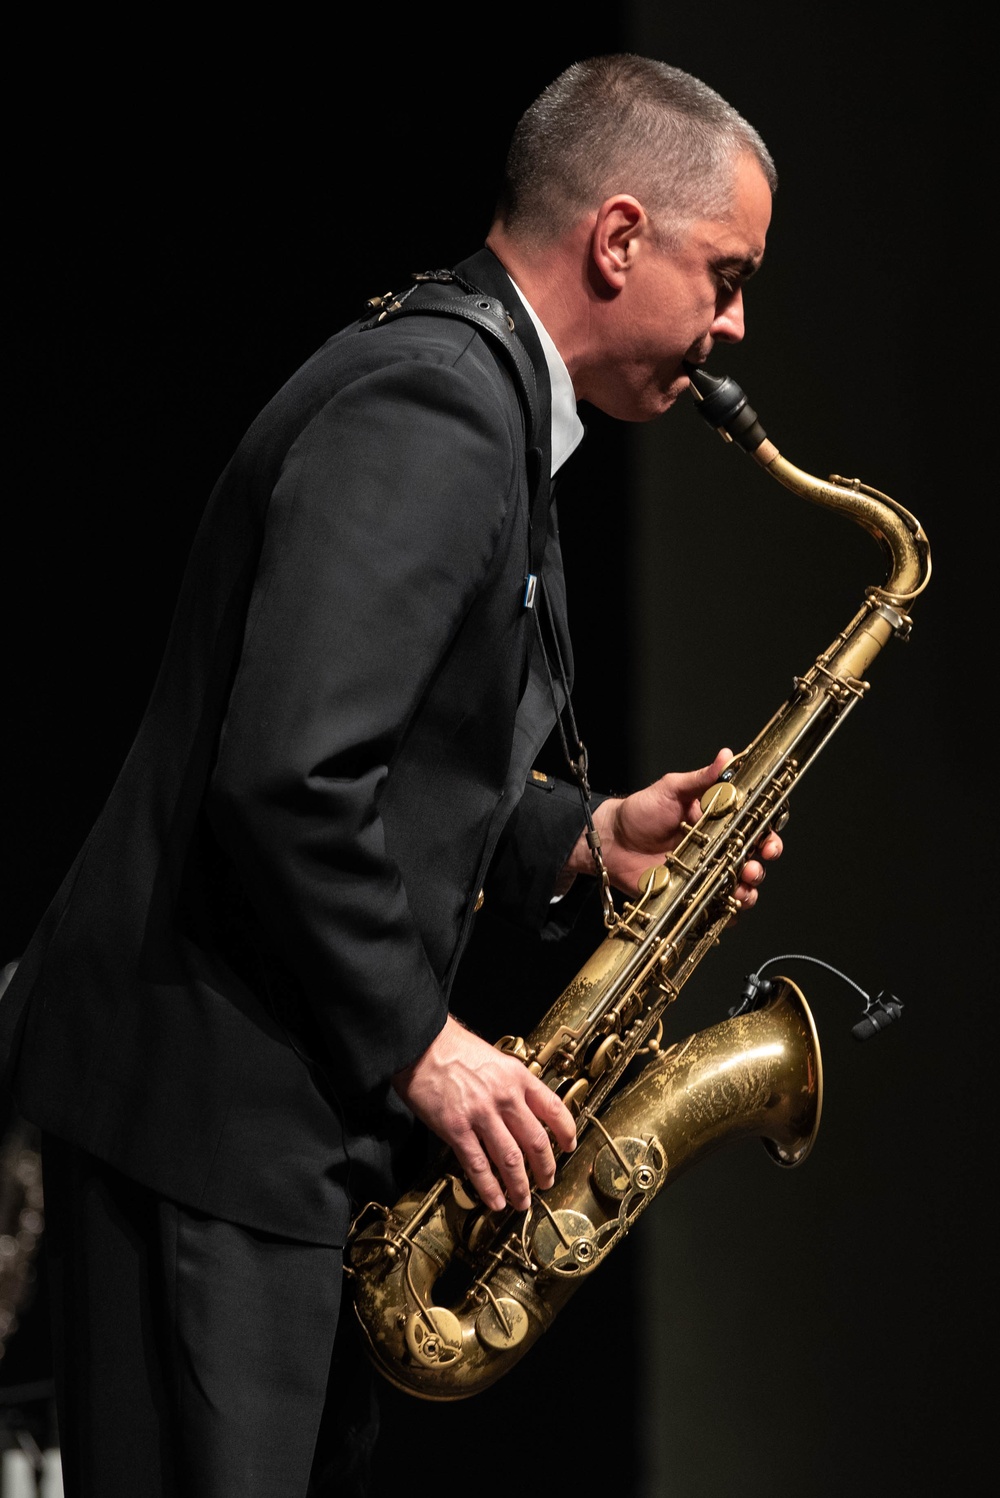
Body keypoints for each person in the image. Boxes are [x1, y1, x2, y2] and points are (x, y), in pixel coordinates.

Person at [0, 53, 781, 1497]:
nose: (734, 328)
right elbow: (286, 778)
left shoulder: (470, 391)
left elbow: (385, 758)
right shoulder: (435, 407)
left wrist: (581, 834)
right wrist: (423, 1042)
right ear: (618, 239)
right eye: (725, 276)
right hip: (213, 1130)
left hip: (263, 1126)